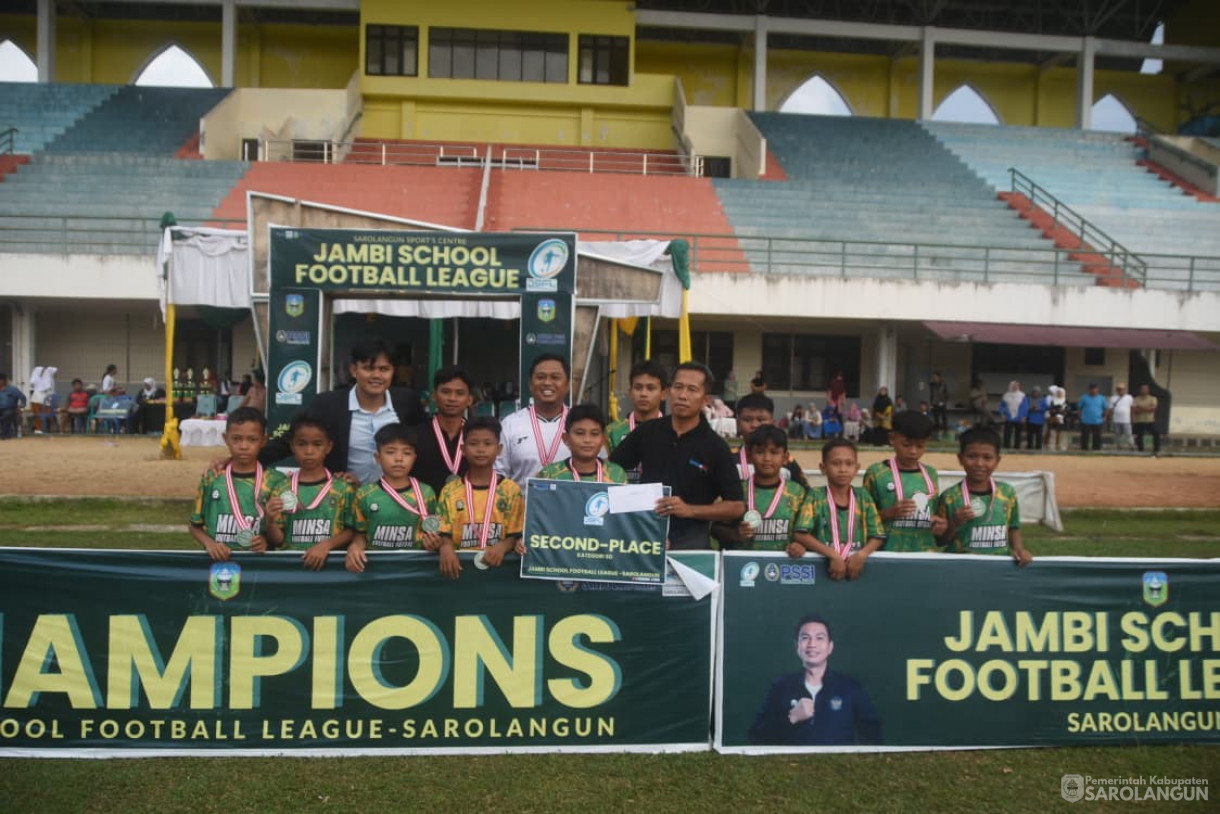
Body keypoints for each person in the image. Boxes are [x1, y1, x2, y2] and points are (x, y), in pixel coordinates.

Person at [610, 361, 744, 550]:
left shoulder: (716, 447)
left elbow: (736, 506)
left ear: (706, 399)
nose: (682, 395)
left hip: (691, 539)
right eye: (678, 387)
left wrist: (690, 510)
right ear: (669, 391)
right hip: (644, 535)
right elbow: (610, 470)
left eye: (692, 389)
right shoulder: (647, 432)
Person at [256, 339, 423, 483]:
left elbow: (425, 443)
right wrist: (245, 461)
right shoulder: (328, 404)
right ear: (353, 370)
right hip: (344, 500)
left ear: (393, 371)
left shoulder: (406, 402)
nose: (377, 375)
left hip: (394, 504)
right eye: (368, 368)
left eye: (384, 369)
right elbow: (289, 440)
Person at [747, 614, 882, 746]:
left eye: (819, 638)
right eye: (805, 638)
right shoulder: (780, 687)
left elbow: (873, 737)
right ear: (797, 646)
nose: (812, 644)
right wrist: (790, 718)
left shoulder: (850, 687)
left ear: (830, 647)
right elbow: (756, 737)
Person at [429, 417, 525, 578]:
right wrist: (445, 547)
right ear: (463, 449)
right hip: (459, 572)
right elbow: (443, 533)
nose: (481, 449)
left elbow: (514, 535)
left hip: (500, 572)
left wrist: (502, 546)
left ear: (499, 449)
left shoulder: (510, 490)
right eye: (473, 444)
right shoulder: (449, 491)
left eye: (488, 444)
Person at [264, 411, 356, 570]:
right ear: (292, 446)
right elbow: (278, 540)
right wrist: (270, 520)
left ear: (328, 447)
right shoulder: (281, 488)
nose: (309, 451)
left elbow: (353, 530)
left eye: (317, 444)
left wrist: (326, 545)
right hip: (291, 569)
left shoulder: (342, 488)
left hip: (331, 569)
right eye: (302, 444)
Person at [345, 424, 441, 572]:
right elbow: (360, 534)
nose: (398, 459)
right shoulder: (365, 494)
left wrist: (434, 543)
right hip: (377, 570)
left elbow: (434, 532)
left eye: (407, 453)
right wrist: (355, 546)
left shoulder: (426, 493)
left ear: (414, 457)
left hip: (415, 571)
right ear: (377, 457)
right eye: (390, 452)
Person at [936, 425, 1032, 565]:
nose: (979, 464)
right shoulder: (950, 497)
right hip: (960, 568)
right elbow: (940, 541)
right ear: (960, 458)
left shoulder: (1007, 493)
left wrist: (1019, 549)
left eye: (987, 458)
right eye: (972, 457)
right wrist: (954, 523)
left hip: (999, 567)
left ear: (997, 461)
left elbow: (1013, 527)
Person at [792, 439, 886, 580]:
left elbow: (877, 536)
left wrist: (862, 554)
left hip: (857, 567)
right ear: (823, 468)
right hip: (821, 569)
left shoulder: (863, 496)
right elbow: (800, 534)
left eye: (849, 464)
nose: (843, 469)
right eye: (836, 463)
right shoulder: (815, 496)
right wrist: (833, 554)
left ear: (856, 468)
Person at [189, 407, 275, 561]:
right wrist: (210, 544)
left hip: (258, 565)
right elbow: (195, 525)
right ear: (225, 438)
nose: (243, 446)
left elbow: (281, 535)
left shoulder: (276, 481)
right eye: (236, 439)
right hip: (218, 564)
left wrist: (266, 542)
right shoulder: (212, 478)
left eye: (252, 439)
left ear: (263, 441)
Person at [862, 411, 947, 552]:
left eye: (920, 446)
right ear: (892, 438)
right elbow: (861, 518)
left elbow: (935, 514)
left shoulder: (931, 474)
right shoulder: (876, 473)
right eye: (906, 445)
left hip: (924, 553)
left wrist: (940, 525)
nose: (913, 451)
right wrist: (888, 513)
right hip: (887, 553)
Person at [728, 425, 808, 553]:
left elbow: (809, 531)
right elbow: (716, 529)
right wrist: (735, 533)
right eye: (759, 452)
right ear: (750, 456)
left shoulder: (798, 493)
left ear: (785, 457)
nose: (766, 458)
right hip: (745, 566)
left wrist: (802, 545)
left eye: (774, 452)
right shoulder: (738, 490)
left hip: (786, 565)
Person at [496, 353, 573, 485]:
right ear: (530, 385)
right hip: (522, 504)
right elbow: (498, 474)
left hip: (569, 504)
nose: (547, 383)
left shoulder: (581, 424)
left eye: (555, 377)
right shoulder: (510, 424)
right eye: (540, 377)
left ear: (567, 385)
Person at [411, 366, 474, 494]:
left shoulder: (478, 436)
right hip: (424, 510)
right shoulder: (415, 435)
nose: (452, 398)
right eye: (445, 391)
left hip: (469, 510)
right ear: (434, 395)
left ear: (469, 400)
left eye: (460, 393)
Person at [539, 404, 629, 484]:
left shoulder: (617, 474)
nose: (587, 440)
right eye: (580, 433)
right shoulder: (549, 475)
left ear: (603, 439)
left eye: (594, 434)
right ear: (566, 438)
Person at [606, 360, 668, 459]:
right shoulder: (612, 431)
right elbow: (605, 468)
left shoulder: (673, 431)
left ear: (664, 394)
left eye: (651, 388)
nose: (643, 394)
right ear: (630, 392)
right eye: (638, 388)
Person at [1132, 384, 1160, 457]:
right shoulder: (1136, 399)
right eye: (1142, 389)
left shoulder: (1153, 398)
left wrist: (1141, 408)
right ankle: (1140, 451)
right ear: (1140, 390)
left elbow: (1153, 409)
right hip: (1139, 421)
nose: (1144, 390)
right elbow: (1135, 410)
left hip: (1149, 421)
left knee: (1156, 434)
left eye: (1145, 389)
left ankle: (1156, 450)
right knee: (1139, 436)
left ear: (1148, 390)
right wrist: (1147, 408)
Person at [1077, 383, 1108, 452]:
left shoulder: (1102, 398)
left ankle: (1096, 450)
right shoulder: (1084, 397)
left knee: (1097, 437)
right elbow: (1079, 408)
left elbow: (1105, 408)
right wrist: (1080, 417)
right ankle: (1084, 450)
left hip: (1098, 420)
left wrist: (1105, 417)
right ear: (1089, 390)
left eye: (1095, 389)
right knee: (1085, 436)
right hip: (1085, 420)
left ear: (1097, 390)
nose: (1093, 390)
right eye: (1092, 389)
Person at [28, 365, 57, 434]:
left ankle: (44, 429)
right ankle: (38, 429)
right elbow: (32, 391)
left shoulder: (50, 380)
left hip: (47, 401)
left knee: (48, 416)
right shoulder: (35, 379)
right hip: (37, 400)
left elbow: (52, 391)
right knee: (38, 415)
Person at [999, 381, 1027, 450]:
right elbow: (1002, 406)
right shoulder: (1006, 395)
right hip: (1008, 417)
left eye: (1017, 386)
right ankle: (1006, 447)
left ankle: (1017, 448)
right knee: (1007, 433)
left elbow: (1025, 406)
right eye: (1014, 386)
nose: (1015, 387)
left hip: (1019, 417)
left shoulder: (1022, 395)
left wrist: (1024, 416)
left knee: (1018, 433)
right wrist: (1002, 414)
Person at [1108, 383, 1134, 451]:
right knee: (1117, 434)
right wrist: (1109, 417)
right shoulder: (1113, 398)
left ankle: (1131, 446)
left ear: (1125, 390)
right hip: (1116, 419)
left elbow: (1131, 408)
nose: (1120, 390)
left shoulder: (1129, 397)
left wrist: (1131, 418)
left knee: (1128, 434)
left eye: (1122, 389)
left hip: (1126, 420)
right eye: (1119, 389)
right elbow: (1110, 408)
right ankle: (1118, 446)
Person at [0, 372, 27, 439]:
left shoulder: (12, 389)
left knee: (7, 415)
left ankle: (5, 434)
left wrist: (20, 406)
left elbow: (23, 398)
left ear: (3, 381)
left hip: (10, 409)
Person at [1044, 385, 1068, 451]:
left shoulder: (1065, 401)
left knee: (1062, 435)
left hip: (1062, 421)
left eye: (1060, 393)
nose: (1059, 394)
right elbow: (1051, 411)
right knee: (1053, 434)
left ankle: (1063, 448)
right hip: (1054, 420)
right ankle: (1052, 448)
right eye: (1058, 392)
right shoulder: (1053, 401)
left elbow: (1066, 411)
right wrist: (1055, 414)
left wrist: (1059, 413)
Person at [928, 371, 950, 437]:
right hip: (935, 403)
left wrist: (943, 401)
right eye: (933, 377)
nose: (934, 378)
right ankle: (936, 430)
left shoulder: (943, 384)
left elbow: (947, 394)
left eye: (935, 377)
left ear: (939, 377)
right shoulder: (931, 385)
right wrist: (931, 403)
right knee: (936, 417)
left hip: (942, 402)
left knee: (944, 416)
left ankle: (945, 430)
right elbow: (931, 394)